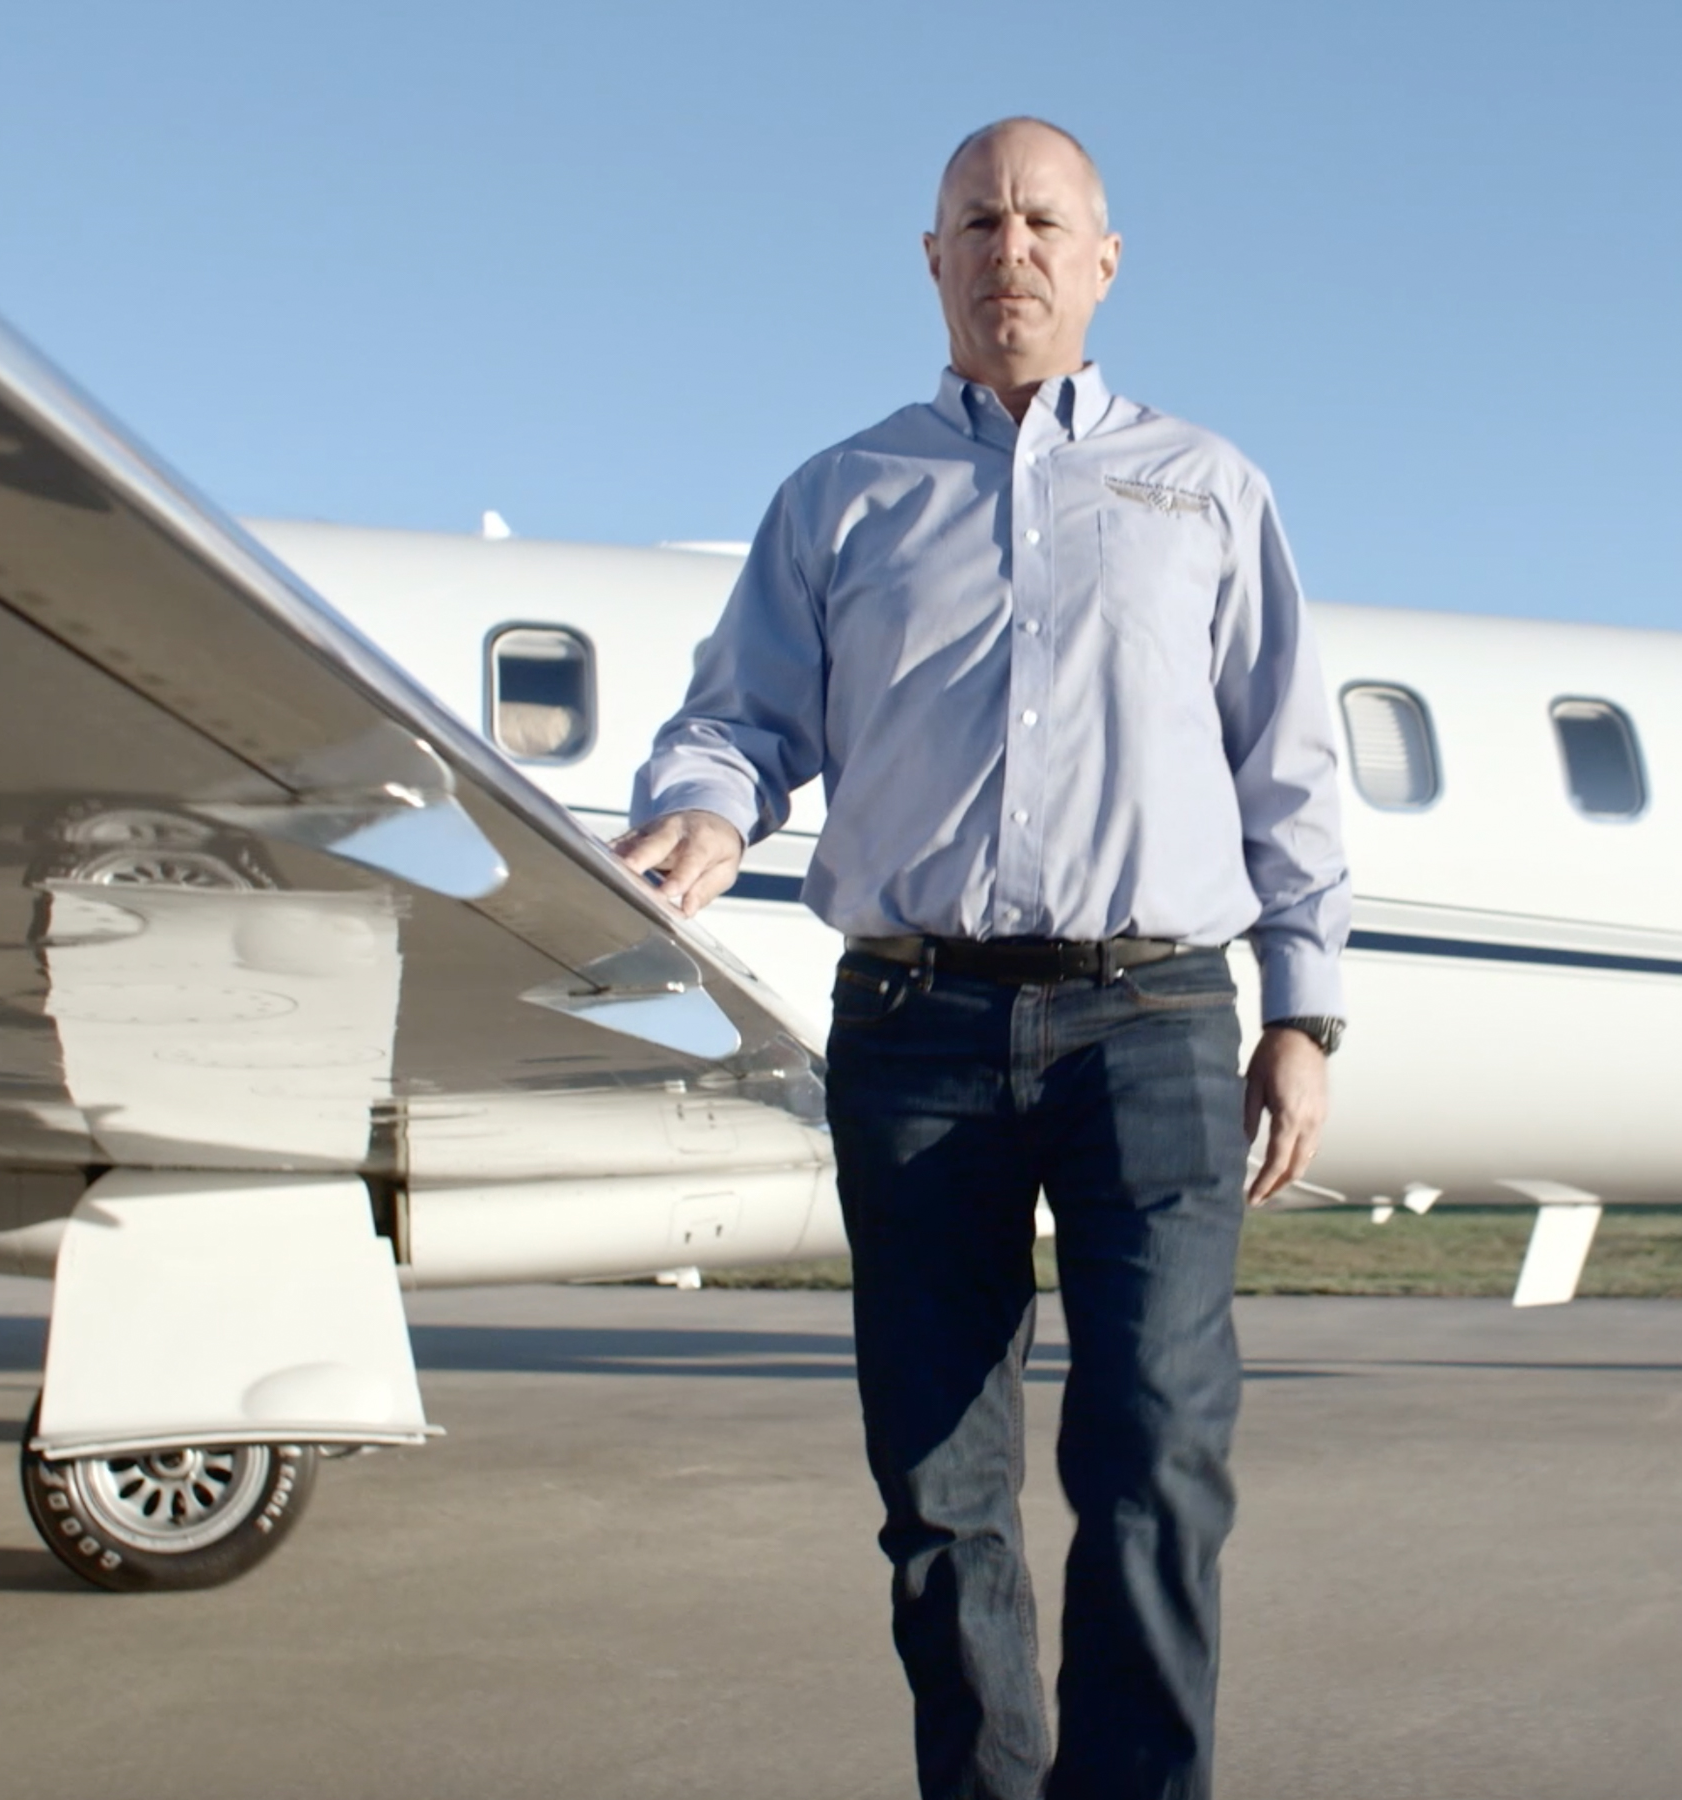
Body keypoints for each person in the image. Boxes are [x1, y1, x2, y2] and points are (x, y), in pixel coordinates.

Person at [614, 116, 1349, 1800]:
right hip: (914, 1022)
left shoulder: (1207, 490)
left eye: (1041, 221)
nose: (1008, 247)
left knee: (1158, 1455)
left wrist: (1306, 1007)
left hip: (1154, 1017)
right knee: (940, 1483)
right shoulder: (842, 495)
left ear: (1102, 263)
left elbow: (1285, 764)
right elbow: (739, 715)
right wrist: (713, 811)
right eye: (975, 221)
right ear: (930, 260)